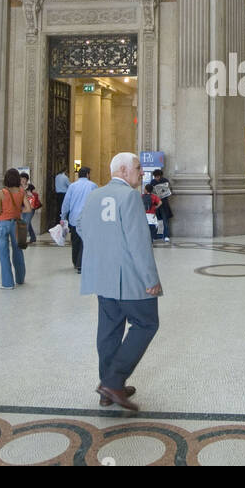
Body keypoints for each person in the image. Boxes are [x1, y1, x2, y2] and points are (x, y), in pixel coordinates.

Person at [80, 152, 163, 412]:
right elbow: (139, 243)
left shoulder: (94, 195)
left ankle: (107, 387)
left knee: (109, 330)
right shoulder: (129, 197)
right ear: (124, 170)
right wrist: (151, 279)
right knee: (147, 323)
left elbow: (81, 227)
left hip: (102, 276)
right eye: (138, 168)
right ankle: (114, 382)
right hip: (129, 278)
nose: (142, 173)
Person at [0, 169, 28, 288]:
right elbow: (28, 208)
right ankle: (20, 279)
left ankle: (7, 283)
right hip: (16, 224)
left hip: (2, 223)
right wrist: (18, 210)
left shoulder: (2, 192)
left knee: (4, 254)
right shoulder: (22, 192)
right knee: (18, 251)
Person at [60, 166, 97, 273]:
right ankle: (81, 263)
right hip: (88, 217)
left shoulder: (72, 186)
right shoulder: (93, 185)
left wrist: (63, 216)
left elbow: (66, 203)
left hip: (74, 218)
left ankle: (76, 261)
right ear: (87, 174)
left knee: (75, 241)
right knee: (84, 241)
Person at [151, 169, 173, 242]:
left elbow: (169, 191)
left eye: (158, 176)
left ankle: (166, 235)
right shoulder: (153, 182)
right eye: (155, 177)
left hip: (164, 203)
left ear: (160, 176)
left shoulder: (165, 181)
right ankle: (155, 236)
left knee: (165, 220)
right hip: (155, 203)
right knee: (155, 221)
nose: (156, 178)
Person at [20, 175, 38, 244]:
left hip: (31, 207)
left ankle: (22, 239)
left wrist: (31, 194)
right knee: (27, 222)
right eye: (21, 179)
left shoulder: (31, 186)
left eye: (24, 179)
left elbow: (36, 195)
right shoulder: (18, 187)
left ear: (27, 180)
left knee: (26, 222)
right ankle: (33, 237)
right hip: (22, 207)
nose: (22, 180)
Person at [53, 169, 71, 236]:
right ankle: (65, 225)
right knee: (65, 210)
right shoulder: (65, 177)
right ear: (65, 171)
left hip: (58, 194)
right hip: (64, 194)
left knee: (58, 210)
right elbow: (70, 185)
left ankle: (58, 224)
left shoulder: (57, 176)